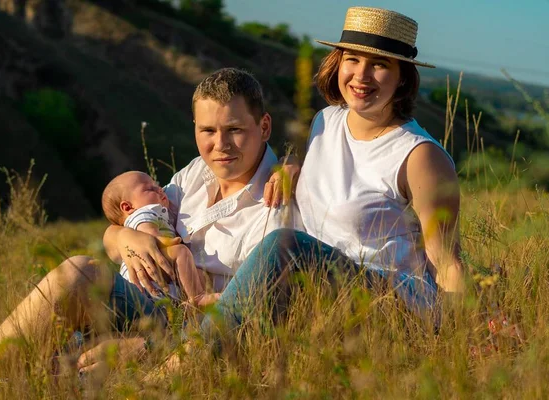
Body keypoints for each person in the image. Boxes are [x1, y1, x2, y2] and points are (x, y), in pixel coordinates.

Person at [0, 67, 300, 382]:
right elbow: (126, 225)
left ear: (264, 126)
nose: (219, 145)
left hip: (188, 325)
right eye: (207, 130)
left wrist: (151, 344)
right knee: (71, 280)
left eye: (235, 130)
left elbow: (251, 315)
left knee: (76, 277)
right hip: (144, 300)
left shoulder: (279, 199)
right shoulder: (195, 175)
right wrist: (123, 237)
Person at [198, 6, 465, 337]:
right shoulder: (326, 121)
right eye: (352, 59)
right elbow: (326, 178)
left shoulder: (419, 155)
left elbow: (446, 258)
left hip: (388, 300)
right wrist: (292, 162)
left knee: (283, 244)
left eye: (379, 64)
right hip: (314, 288)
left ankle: (184, 358)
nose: (361, 76)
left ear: (402, 77)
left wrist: (463, 334)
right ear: (338, 62)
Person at [101, 170, 220, 307]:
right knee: (181, 252)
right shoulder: (144, 213)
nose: (160, 189)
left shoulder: (155, 211)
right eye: (150, 188)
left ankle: (189, 302)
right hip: (148, 263)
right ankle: (198, 297)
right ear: (128, 207)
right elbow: (148, 235)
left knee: (196, 271)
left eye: (157, 185)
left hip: (150, 273)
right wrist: (169, 241)